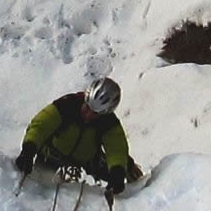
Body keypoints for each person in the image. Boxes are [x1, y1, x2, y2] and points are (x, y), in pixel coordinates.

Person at [15, 77, 143, 195]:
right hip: (53, 154)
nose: (88, 115)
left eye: (94, 113)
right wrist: (29, 150)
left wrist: (118, 172)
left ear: (104, 113)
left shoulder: (108, 122)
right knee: (39, 182)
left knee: (119, 170)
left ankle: (138, 184)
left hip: (87, 158)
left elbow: (116, 149)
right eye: (87, 108)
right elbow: (41, 126)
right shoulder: (66, 105)